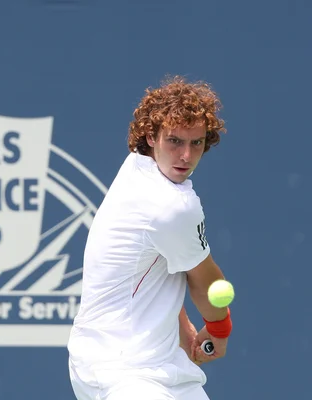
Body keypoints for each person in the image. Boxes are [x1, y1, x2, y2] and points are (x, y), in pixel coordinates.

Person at [67, 76, 233, 400]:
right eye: (174, 141)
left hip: (161, 365)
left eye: (196, 143)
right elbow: (205, 282)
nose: (185, 155)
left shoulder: (137, 169)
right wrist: (219, 330)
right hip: (121, 369)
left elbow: (156, 260)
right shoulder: (171, 206)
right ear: (151, 136)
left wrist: (179, 320)